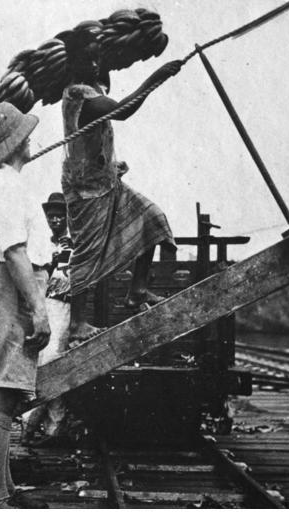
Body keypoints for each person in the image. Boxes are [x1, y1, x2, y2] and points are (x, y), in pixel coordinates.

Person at [59, 28, 182, 346]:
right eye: (89, 57)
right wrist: (157, 77)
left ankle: (137, 291)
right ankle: (77, 324)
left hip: (105, 181)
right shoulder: (77, 94)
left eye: (98, 57)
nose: (96, 63)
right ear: (75, 61)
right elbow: (123, 110)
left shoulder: (93, 87)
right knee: (86, 253)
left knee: (152, 218)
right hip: (85, 189)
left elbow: (94, 133)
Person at [0, 102, 53, 509]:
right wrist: (38, 308)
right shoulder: (8, 185)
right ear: (15, 143)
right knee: (3, 397)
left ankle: (6, 487)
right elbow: (15, 250)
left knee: (6, 391)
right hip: (8, 285)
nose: (30, 138)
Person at [22, 192, 73, 446]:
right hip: (44, 305)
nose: (54, 220)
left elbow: (64, 278)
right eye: (51, 216)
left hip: (62, 304)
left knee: (52, 362)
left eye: (59, 215)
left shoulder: (70, 244)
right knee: (41, 362)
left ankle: (50, 425)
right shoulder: (47, 244)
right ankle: (48, 425)